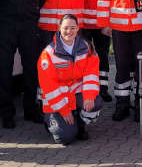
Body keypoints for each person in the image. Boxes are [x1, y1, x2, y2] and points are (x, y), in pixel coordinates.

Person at [39, 14, 103, 144]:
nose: (69, 31)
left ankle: (80, 124)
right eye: (66, 28)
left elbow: (91, 73)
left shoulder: (86, 47)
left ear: (78, 28)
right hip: (57, 100)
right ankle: (49, 120)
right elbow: (49, 87)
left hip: (75, 94)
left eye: (73, 28)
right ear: (59, 28)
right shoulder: (49, 53)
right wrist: (64, 110)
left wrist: (89, 95)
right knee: (65, 138)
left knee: (96, 102)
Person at [81, 0, 112, 101]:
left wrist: (108, 22)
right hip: (83, 23)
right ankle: (87, 89)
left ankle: (103, 88)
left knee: (103, 55)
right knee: (84, 57)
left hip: (101, 23)